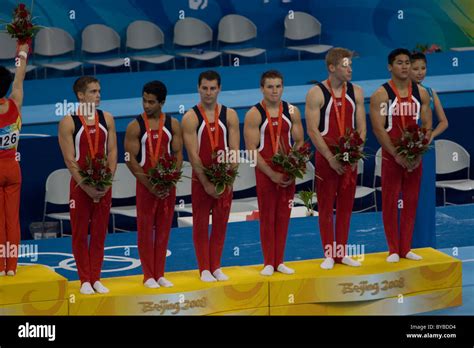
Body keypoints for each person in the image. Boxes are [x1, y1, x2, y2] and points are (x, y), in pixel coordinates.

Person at [305, 47, 367, 270]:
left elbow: (361, 128)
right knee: (326, 206)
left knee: (345, 207)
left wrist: (351, 155)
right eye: (344, 65)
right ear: (332, 68)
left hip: (349, 158)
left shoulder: (357, 91)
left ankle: (342, 252)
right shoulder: (317, 93)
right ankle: (329, 254)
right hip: (326, 158)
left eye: (350, 64)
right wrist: (331, 158)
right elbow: (312, 130)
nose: (349, 69)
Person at [370, 48, 432, 263]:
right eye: (399, 62)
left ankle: (406, 248)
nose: (405, 66)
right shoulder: (382, 94)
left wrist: (418, 151)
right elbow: (378, 128)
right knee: (390, 201)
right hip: (391, 157)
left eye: (407, 62)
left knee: (411, 201)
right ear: (390, 66)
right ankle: (393, 249)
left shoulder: (421, 93)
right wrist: (396, 154)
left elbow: (427, 125)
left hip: (414, 157)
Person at [58, 76, 118, 294]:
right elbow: (69, 159)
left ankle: (96, 277)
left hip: (103, 185)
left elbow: (112, 152)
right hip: (80, 187)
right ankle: (84, 279)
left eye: (99, 91)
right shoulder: (68, 122)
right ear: (81, 95)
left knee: (100, 233)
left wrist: (107, 181)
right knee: (81, 233)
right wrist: (86, 186)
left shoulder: (107, 118)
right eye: (93, 91)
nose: (98, 95)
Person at [244, 70, 304, 276]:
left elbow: (299, 140)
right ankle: (269, 261)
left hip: (287, 170)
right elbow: (251, 149)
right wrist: (271, 174)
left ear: (283, 87)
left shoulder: (292, 111)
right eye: (270, 86)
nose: (274, 91)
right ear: (262, 89)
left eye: (278, 86)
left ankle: (280, 261)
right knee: (268, 217)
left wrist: (291, 165)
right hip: (265, 171)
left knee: (284, 216)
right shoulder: (254, 114)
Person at [181, 71, 240, 282]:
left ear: (219, 89)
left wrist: (229, 179)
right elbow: (193, 154)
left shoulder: (230, 115)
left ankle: (216, 266)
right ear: (198, 88)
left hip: (224, 178)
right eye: (204, 88)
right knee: (200, 223)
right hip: (201, 179)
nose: (208, 93)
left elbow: (234, 149)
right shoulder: (190, 117)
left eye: (212, 88)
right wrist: (206, 183)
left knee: (221, 223)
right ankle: (203, 268)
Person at [124, 81, 183, 288]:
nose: (146, 105)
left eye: (151, 102)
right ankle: (148, 275)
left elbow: (177, 154)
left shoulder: (173, 124)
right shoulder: (135, 126)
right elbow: (129, 158)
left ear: (162, 102)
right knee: (146, 230)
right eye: (144, 100)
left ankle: (160, 273)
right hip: (146, 185)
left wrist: (171, 178)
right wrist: (150, 185)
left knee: (164, 229)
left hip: (167, 185)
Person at [410, 51, 448, 248]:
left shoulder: (431, 92)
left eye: (423, 68)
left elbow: (443, 122)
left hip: (426, 151)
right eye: (415, 69)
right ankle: (405, 244)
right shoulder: (398, 94)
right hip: (406, 151)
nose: (419, 73)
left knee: (424, 198)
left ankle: (427, 244)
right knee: (408, 198)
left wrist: (430, 136)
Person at [0, 43, 29, 276]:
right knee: (13, 219)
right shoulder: (15, 103)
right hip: (13, 168)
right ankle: (12, 267)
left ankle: (0, 266)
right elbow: (19, 75)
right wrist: (21, 50)